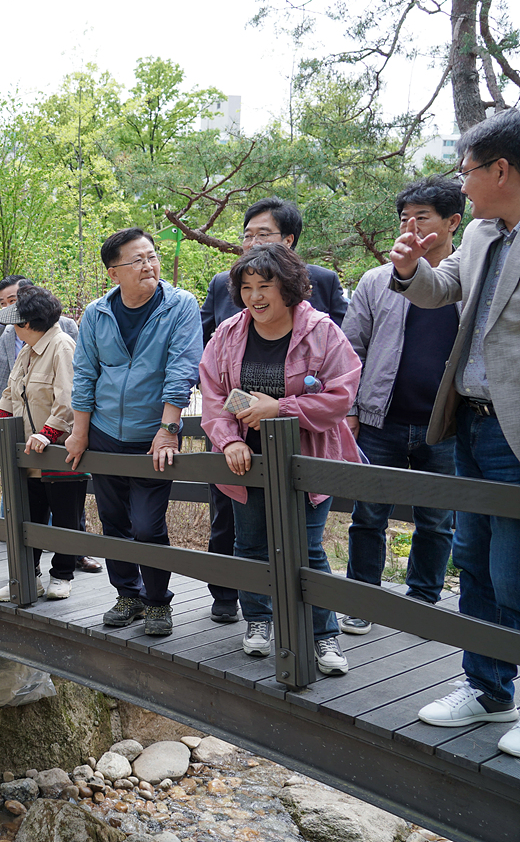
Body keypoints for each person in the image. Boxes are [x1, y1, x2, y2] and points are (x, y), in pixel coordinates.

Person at [387, 109, 520, 755]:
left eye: (467, 172)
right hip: (469, 423)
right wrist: (411, 269)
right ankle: (488, 689)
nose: (460, 186)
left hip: (517, 432)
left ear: (501, 169)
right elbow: (445, 292)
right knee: (473, 561)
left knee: (515, 569)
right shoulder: (480, 235)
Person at [200, 242, 362, 677]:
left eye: (265, 286)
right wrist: (228, 439)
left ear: (287, 287)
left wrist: (282, 407)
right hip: (245, 460)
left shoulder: (322, 331)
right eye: (247, 287)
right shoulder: (229, 332)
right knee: (250, 544)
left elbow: (341, 395)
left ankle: (322, 633)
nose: (255, 296)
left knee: (306, 548)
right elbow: (214, 394)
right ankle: (258, 621)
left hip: (306, 457)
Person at [63, 228, 203, 637]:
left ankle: (158, 602)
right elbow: (86, 373)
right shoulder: (96, 313)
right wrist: (80, 432)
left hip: (150, 435)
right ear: (113, 273)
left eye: (152, 256)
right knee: (112, 520)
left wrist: (168, 429)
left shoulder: (179, 306)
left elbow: (181, 368)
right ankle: (127, 595)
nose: (149, 265)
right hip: (105, 432)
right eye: (137, 260)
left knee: (147, 524)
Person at [341, 177, 466, 631]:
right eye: (404, 219)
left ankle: (422, 602)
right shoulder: (376, 281)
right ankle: (362, 600)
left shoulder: (471, 280)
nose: (410, 227)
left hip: (447, 426)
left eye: (423, 217)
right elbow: (351, 350)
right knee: (368, 514)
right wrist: (351, 410)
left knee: (437, 520)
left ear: (453, 222)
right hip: (381, 421)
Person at [0, 286, 83, 601]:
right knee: (30, 518)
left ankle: (63, 574)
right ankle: (29, 576)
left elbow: (68, 400)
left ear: (31, 322)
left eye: (17, 321)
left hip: (57, 453)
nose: (13, 327)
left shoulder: (61, 346)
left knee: (65, 518)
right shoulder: (26, 350)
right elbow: (8, 397)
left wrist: (49, 433)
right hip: (29, 455)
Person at [0, 274, 79, 408]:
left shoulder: (65, 327)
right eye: (3, 303)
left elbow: (75, 373)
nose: (7, 308)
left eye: (12, 301)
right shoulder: (2, 332)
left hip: (49, 411)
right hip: (9, 414)